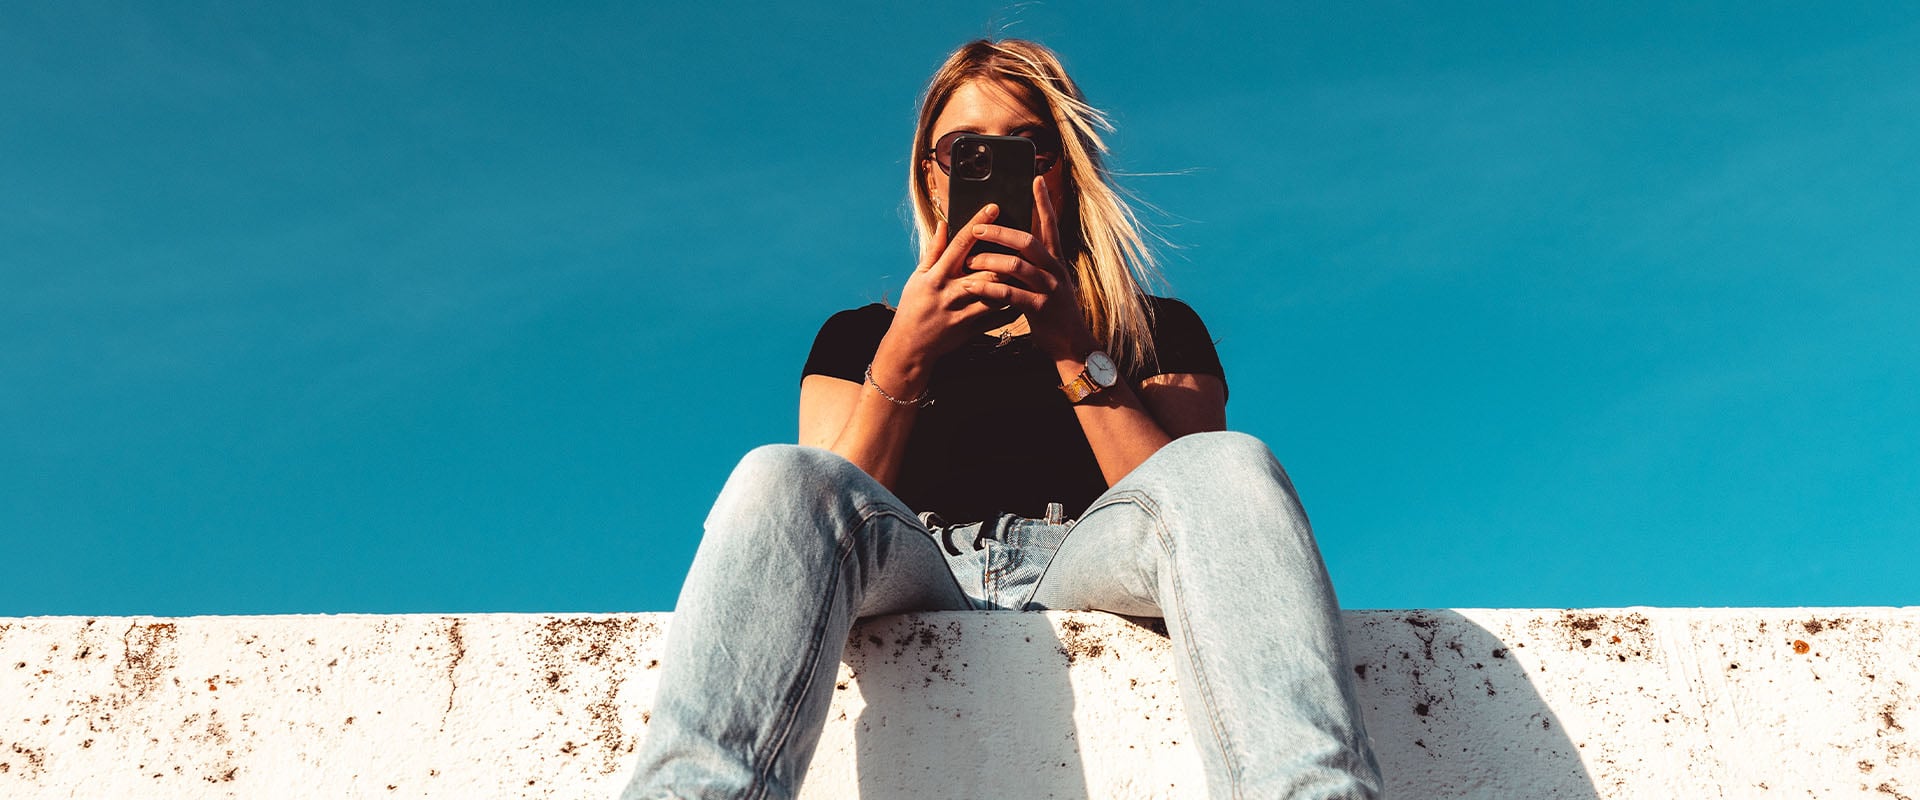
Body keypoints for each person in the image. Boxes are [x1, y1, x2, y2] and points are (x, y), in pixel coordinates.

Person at [621, 38, 1381, 800]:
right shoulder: (859, 336)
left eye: (1027, 147)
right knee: (780, 474)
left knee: (1228, 460)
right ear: (930, 170)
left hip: (1086, 561)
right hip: (915, 564)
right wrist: (905, 354)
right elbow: (828, 512)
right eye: (965, 150)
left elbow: (1193, 510)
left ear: (1065, 167)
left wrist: (1074, 344)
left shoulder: (1155, 327)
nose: (995, 169)